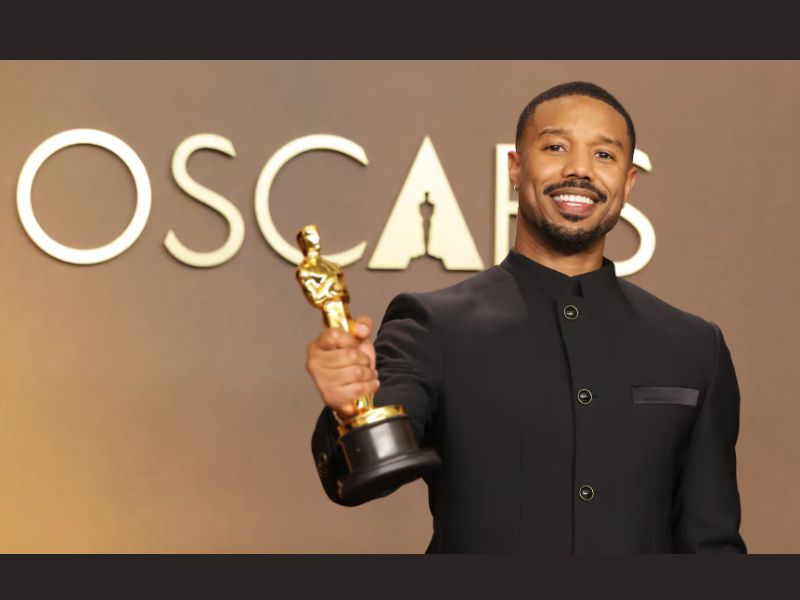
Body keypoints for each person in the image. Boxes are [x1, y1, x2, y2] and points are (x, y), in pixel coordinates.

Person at [305, 81, 746, 553]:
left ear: (628, 182)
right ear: (515, 169)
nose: (579, 169)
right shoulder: (433, 325)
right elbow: (361, 479)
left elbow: (711, 543)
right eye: (556, 147)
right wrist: (351, 408)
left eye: (604, 155)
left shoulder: (693, 347)